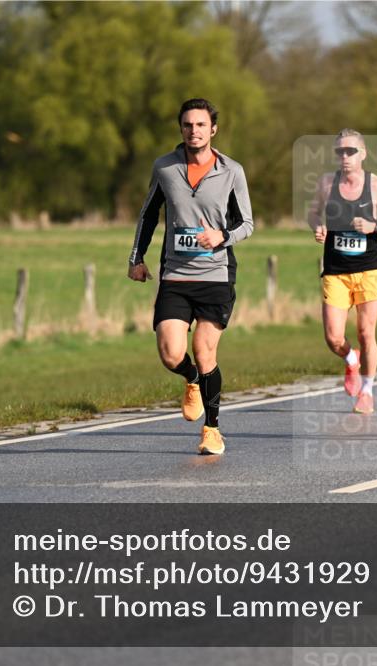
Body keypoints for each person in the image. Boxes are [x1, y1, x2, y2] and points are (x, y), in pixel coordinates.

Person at [128, 98, 254, 455]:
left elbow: (247, 224)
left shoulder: (232, 171)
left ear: (212, 129)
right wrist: (136, 258)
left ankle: (211, 430)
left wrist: (222, 236)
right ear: (180, 129)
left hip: (215, 274)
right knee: (171, 354)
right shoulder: (165, 168)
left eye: (200, 125)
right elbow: (148, 215)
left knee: (204, 349)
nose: (194, 131)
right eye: (187, 125)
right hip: (176, 275)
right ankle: (192, 379)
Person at [308, 130, 377, 414]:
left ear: (363, 153)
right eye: (340, 152)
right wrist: (317, 226)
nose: (345, 157)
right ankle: (351, 359)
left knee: (367, 332)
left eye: (351, 151)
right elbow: (313, 212)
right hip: (335, 271)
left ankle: (367, 392)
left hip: (368, 270)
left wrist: (374, 227)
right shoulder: (326, 183)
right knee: (333, 337)